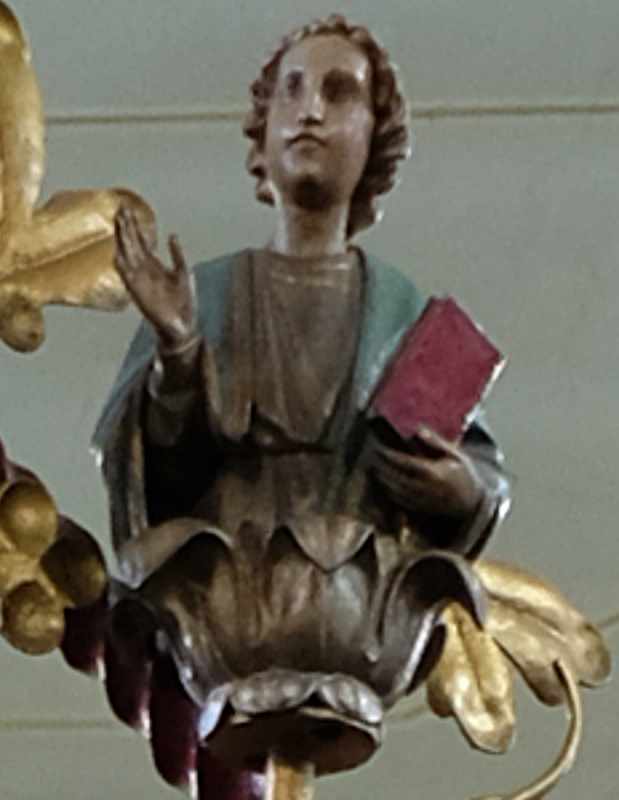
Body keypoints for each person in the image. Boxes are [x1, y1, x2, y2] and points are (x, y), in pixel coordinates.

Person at [93, 14, 509, 778]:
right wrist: (179, 350)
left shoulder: (405, 315)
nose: (310, 110)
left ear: (375, 140)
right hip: (230, 590)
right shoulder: (207, 293)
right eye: (291, 91)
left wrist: (458, 489)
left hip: (359, 599)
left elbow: (479, 471)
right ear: (261, 137)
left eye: (338, 93)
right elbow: (153, 475)